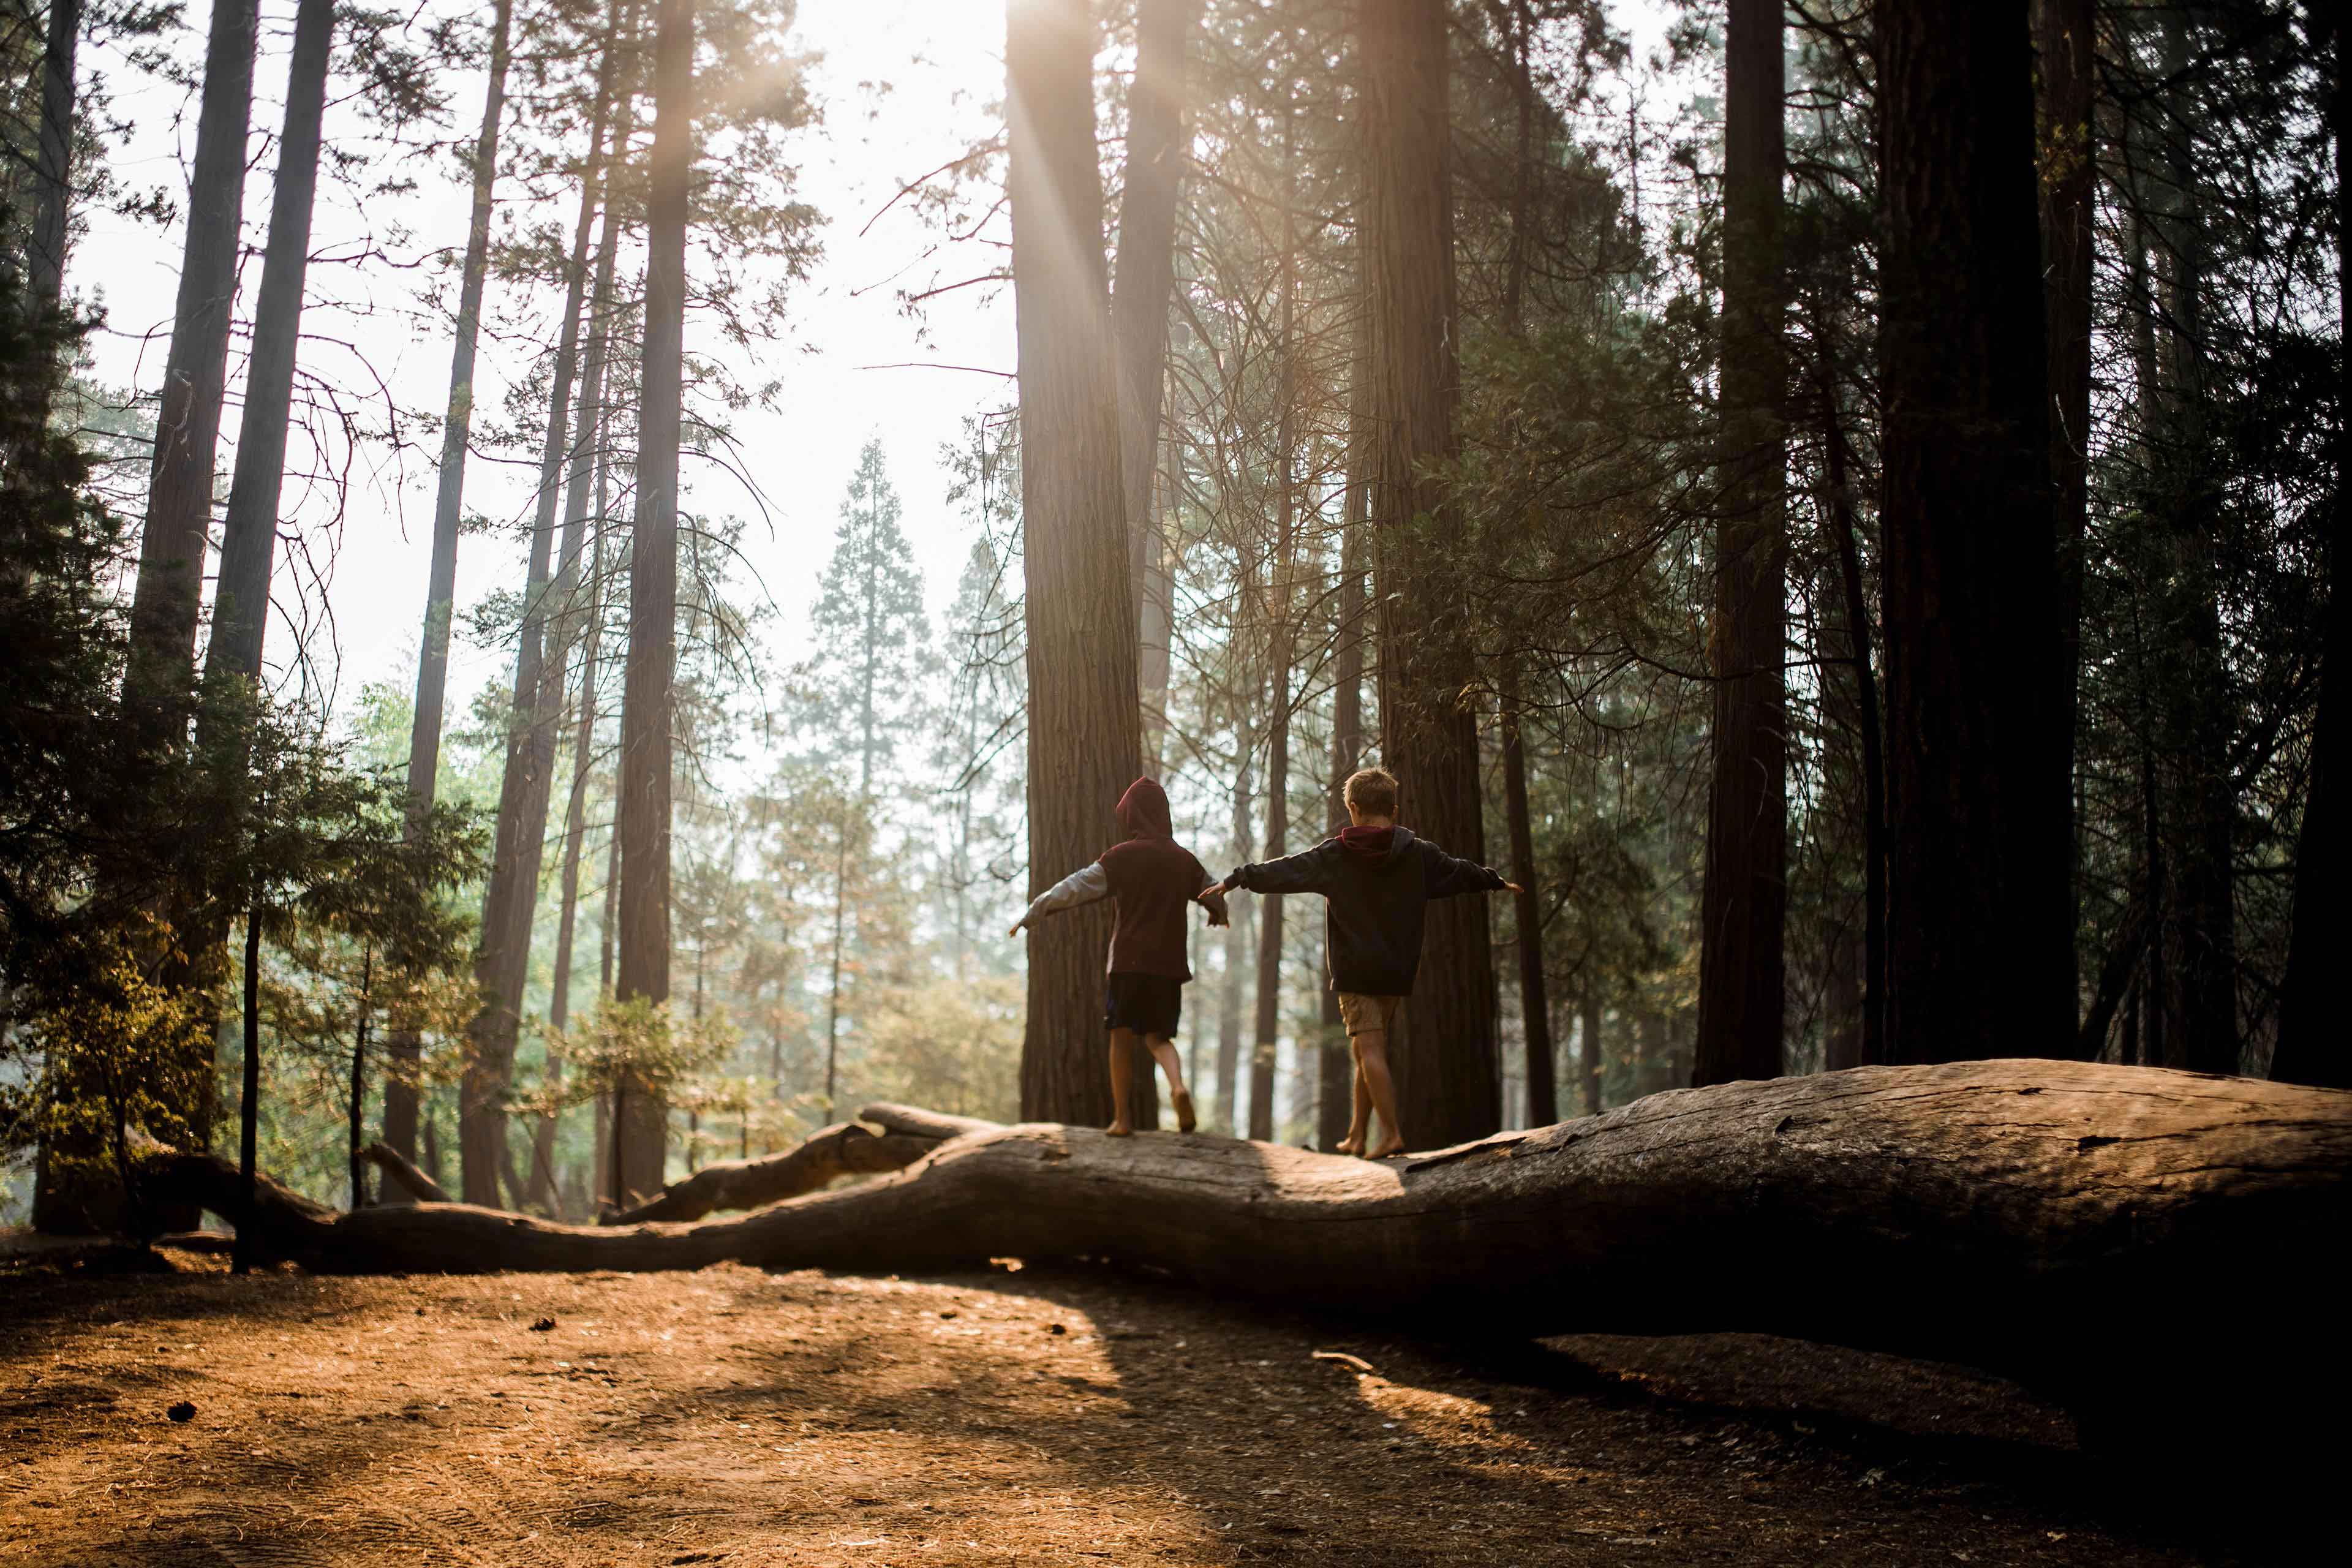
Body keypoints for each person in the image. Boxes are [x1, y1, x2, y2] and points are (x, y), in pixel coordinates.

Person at [1207, 765, 1520, 1158]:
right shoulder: (1418, 854)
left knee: (1370, 1049)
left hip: (1356, 971)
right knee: (1365, 1049)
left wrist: (1238, 879)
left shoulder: (1335, 856)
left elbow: (1286, 870)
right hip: (1396, 970)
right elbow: (1459, 872)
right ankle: (1357, 1134)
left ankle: (1390, 1135)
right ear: (1393, 808)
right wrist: (1493, 880)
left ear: (1353, 808)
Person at [1010, 776, 1229, 1136]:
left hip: (1128, 963)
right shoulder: (1183, 860)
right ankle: (1178, 1087)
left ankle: (1123, 1120)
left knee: (1121, 1039)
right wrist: (1218, 914)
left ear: (1133, 817)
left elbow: (1076, 886)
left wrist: (1037, 909)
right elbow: (1212, 889)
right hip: (1169, 965)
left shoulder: (1122, 857)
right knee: (1159, 1039)